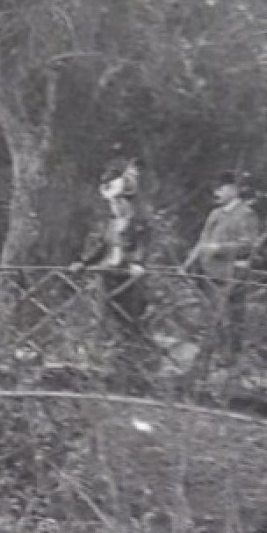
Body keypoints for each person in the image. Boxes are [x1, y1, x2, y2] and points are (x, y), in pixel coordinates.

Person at [71, 159, 154, 384]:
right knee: (105, 316)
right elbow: (100, 248)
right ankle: (101, 360)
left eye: (120, 202)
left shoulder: (139, 223)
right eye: (113, 203)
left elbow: (143, 246)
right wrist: (83, 262)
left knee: (130, 319)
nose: (116, 207)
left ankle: (135, 364)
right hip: (108, 275)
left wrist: (138, 263)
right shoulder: (109, 224)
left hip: (128, 277)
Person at [181, 172, 261, 376]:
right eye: (215, 189)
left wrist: (220, 248)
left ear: (234, 189)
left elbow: (248, 245)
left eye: (221, 188)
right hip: (207, 275)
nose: (216, 193)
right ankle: (204, 368)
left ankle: (225, 368)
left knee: (226, 322)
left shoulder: (245, 214)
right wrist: (186, 264)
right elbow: (202, 240)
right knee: (209, 320)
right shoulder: (215, 214)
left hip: (229, 277)